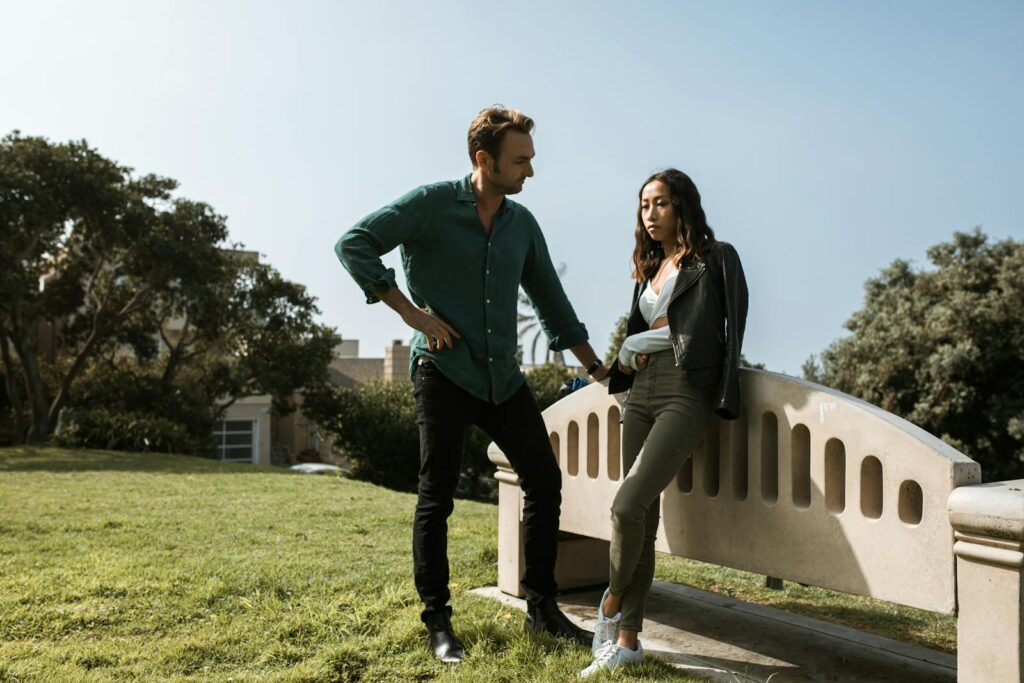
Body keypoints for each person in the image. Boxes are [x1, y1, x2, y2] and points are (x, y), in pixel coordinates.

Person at [335, 106, 610, 664]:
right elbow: (354, 243)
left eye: (530, 159)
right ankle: (438, 622)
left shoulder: (521, 224)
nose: (530, 171)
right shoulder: (431, 205)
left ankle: (542, 609)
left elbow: (552, 303)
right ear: (484, 160)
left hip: (502, 377)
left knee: (544, 481)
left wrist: (599, 368)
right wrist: (412, 314)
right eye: (520, 160)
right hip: (443, 371)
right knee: (436, 496)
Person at [580, 169, 748, 677]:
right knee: (642, 517)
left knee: (626, 503)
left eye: (660, 204)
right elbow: (641, 331)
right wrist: (627, 357)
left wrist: (639, 344)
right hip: (640, 393)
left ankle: (610, 601)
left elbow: (720, 333)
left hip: (685, 390)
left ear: (683, 207)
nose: (649, 215)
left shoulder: (716, 259)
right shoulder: (648, 267)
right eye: (643, 205)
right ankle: (629, 640)